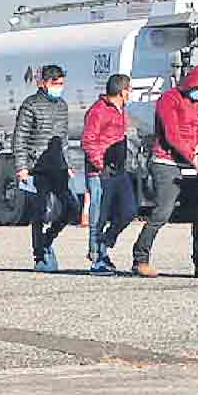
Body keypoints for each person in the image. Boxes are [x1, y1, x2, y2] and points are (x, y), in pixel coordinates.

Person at [131, 64, 198, 278]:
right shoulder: (169, 99)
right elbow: (172, 135)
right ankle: (140, 258)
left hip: (191, 163)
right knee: (163, 212)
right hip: (166, 162)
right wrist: (191, 156)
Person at [13, 64, 79, 273]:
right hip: (36, 167)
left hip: (58, 166)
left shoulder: (62, 106)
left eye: (61, 84)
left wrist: (67, 163)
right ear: (43, 83)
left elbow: (63, 139)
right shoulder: (30, 105)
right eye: (55, 83)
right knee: (40, 211)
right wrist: (21, 167)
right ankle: (39, 256)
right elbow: (20, 137)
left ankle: (47, 239)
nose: (59, 87)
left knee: (71, 207)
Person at [82, 74, 131, 275]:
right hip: (100, 173)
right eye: (130, 89)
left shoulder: (121, 110)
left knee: (128, 210)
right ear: (122, 91)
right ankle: (96, 258)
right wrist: (100, 165)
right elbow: (88, 141)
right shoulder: (98, 111)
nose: (131, 94)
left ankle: (105, 242)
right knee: (98, 216)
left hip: (118, 170)